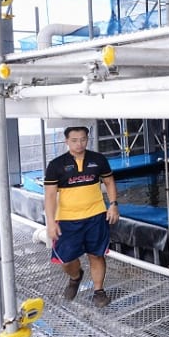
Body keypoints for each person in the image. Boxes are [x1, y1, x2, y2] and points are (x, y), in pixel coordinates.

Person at [44, 126, 119, 308]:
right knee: (66, 259)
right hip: (68, 220)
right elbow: (50, 196)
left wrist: (113, 205)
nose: (79, 144)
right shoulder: (56, 165)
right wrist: (51, 222)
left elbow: (109, 182)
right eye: (75, 140)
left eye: (83, 139)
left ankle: (99, 291)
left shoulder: (98, 160)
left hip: (96, 216)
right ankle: (76, 276)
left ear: (88, 139)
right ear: (67, 141)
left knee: (96, 254)